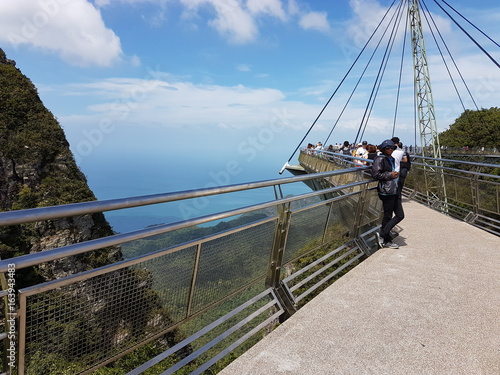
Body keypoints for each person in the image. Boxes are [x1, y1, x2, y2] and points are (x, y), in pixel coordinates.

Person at [371, 139, 404, 249]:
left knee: (400, 215)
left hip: (394, 190)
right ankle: (386, 239)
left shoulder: (391, 159)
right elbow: (376, 174)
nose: (390, 150)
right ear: (383, 149)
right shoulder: (380, 159)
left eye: (392, 148)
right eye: (388, 148)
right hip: (386, 191)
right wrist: (390, 175)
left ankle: (384, 234)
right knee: (388, 215)